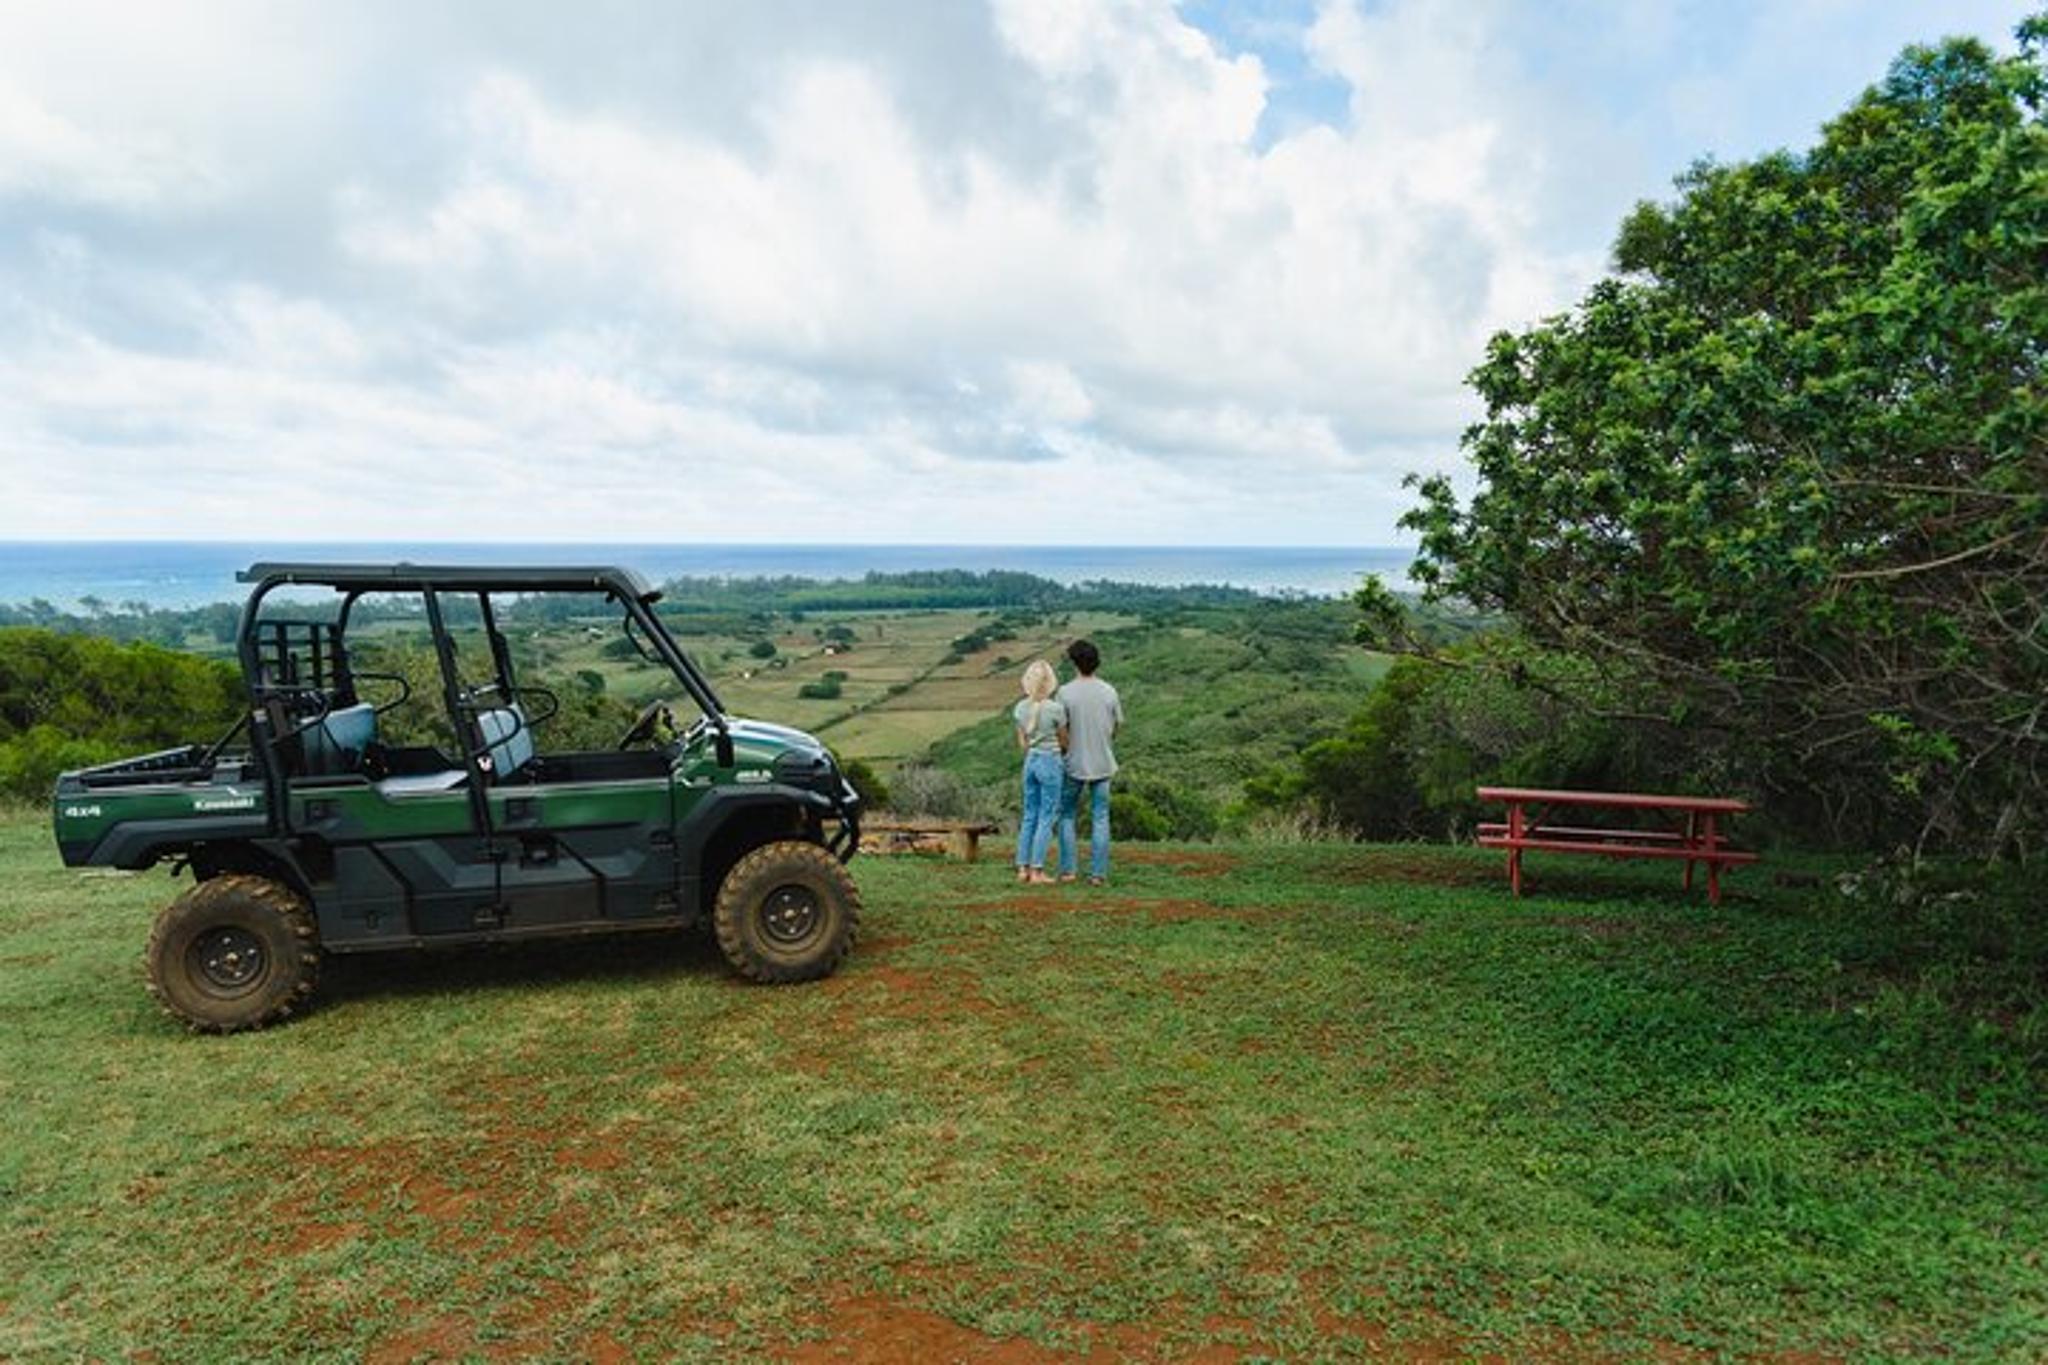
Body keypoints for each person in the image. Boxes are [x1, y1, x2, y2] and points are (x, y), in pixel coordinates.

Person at [1056, 638, 1122, 885]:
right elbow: (1116, 726)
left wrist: (1067, 749)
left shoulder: (1064, 692)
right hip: (1103, 763)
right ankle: (1097, 875)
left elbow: (1061, 732)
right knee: (1101, 817)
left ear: (1075, 663)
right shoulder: (1109, 691)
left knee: (1066, 815)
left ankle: (1069, 871)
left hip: (1073, 763)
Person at [1012, 659, 1068, 884]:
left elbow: (1023, 744)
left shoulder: (1020, 708)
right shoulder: (1056, 709)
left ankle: (1022, 868)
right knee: (1047, 817)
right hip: (1050, 761)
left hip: (1031, 762)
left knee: (1029, 816)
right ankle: (1037, 870)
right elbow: (1065, 742)